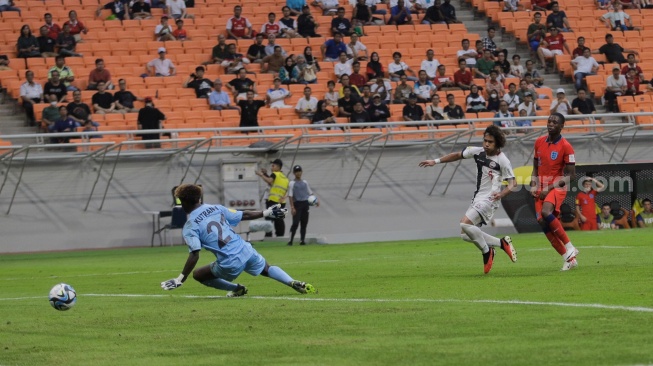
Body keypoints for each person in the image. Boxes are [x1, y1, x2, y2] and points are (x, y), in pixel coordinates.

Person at [159, 184, 317, 296]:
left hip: (229, 262)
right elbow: (245, 215)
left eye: (179, 201)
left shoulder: (190, 226)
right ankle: (292, 282)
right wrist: (267, 212)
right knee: (267, 269)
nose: (179, 204)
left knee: (198, 274)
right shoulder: (216, 208)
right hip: (245, 249)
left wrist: (180, 279)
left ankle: (237, 289)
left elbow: (195, 254)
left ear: (185, 202)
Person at [419, 125, 517, 274]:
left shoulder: (503, 161)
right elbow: (457, 155)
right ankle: (501, 243)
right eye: (485, 140)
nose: (486, 144)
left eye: (490, 142)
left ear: (497, 143)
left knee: (464, 224)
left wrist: (501, 195)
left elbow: (513, 184)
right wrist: (436, 161)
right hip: (478, 197)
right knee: (465, 234)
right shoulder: (478, 152)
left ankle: (487, 251)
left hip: (490, 199)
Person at [530, 112, 579, 271]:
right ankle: (568, 258)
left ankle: (570, 246)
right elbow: (535, 168)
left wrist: (549, 188)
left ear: (562, 126)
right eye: (549, 121)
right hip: (540, 187)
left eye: (555, 122)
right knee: (542, 223)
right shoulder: (538, 142)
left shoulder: (566, 146)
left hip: (556, 186)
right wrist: (533, 184)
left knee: (546, 212)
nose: (551, 124)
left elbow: (572, 175)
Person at [255, 159, 289, 237]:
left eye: (273, 166)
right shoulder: (285, 178)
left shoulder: (275, 174)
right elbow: (275, 182)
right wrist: (265, 174)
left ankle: (268, 236)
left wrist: (261, 175)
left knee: (269, 219)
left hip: (273, 201)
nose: (271, 168)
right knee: (279, 220)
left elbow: (269, 181)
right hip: (281, 202)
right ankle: (280, 236)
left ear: (278, 167)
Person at [287, 165, 317, 246]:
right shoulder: (292, 183)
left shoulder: (305, 182)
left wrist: (316, 201)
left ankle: (302, 240)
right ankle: (290, 240)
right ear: (294, 173)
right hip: (297, 204)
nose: (298, 173)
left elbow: (310, 192)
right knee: (295, 223)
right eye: (296, 171)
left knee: (304, 223)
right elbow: (290, 195)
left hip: (305, 203)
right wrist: (292, 207)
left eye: (299, 171)